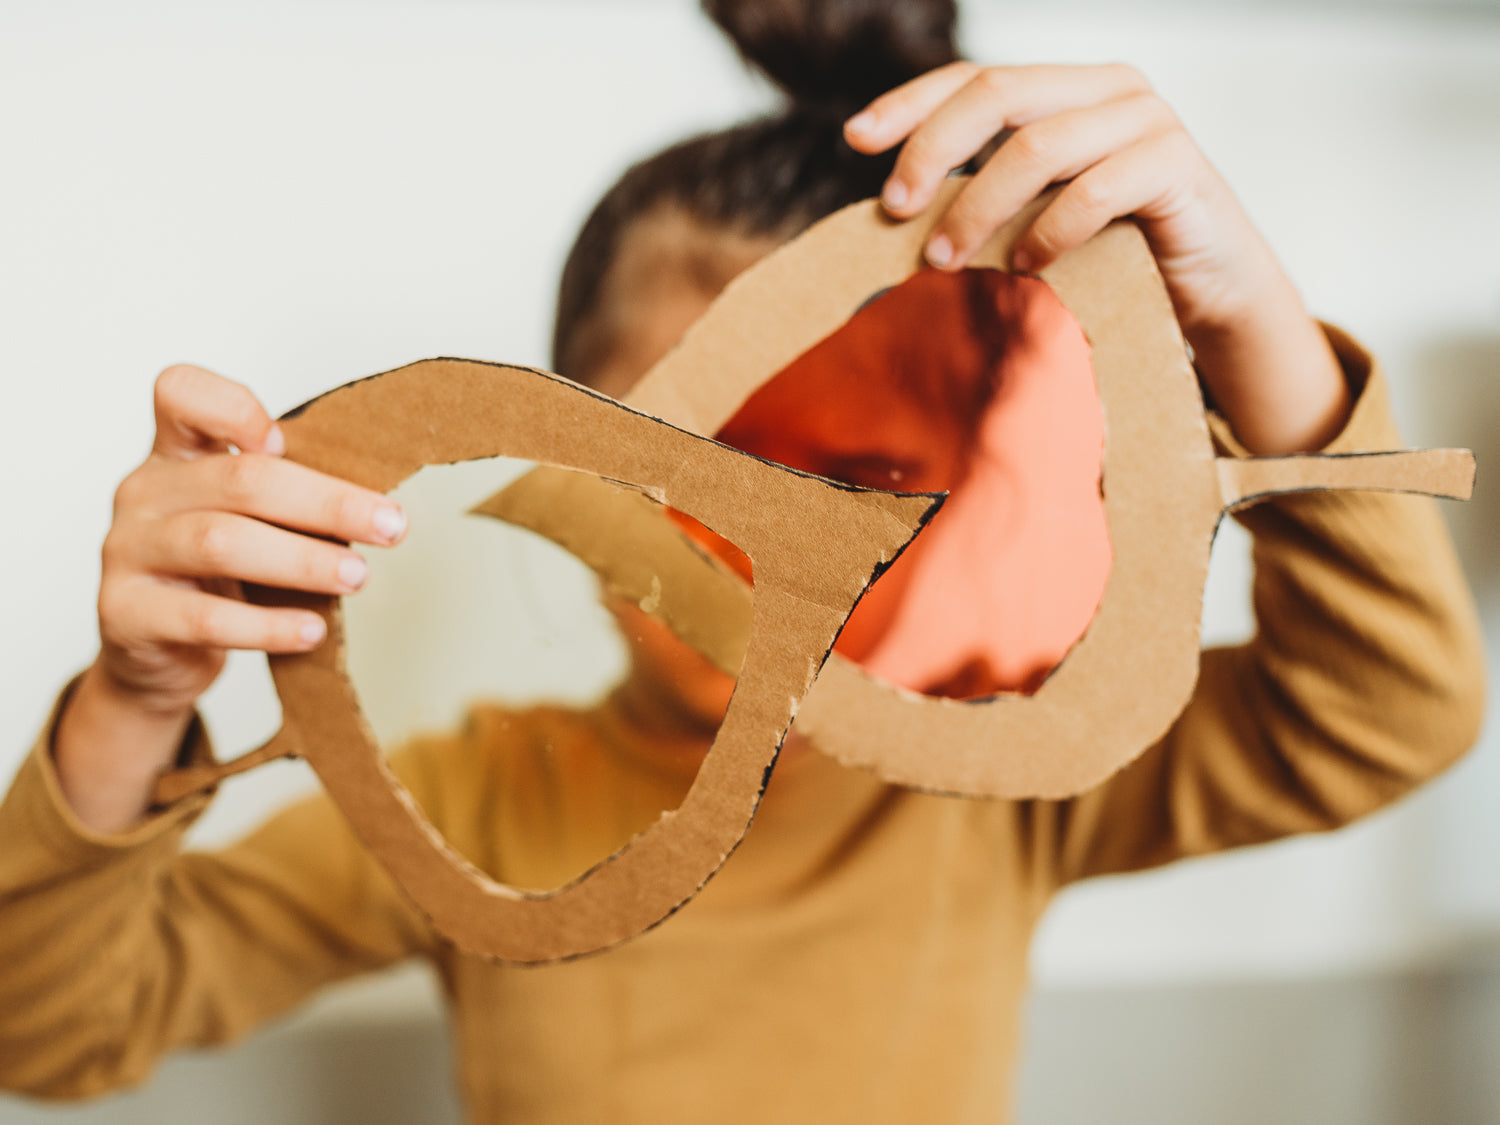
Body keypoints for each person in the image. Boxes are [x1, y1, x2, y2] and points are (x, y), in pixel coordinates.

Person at [0, 0, 1483, 1121]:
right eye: (694, 461)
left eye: (864, 480)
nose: (772, 543)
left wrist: (1256, 336)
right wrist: (136, 699)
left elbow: (1384, 711)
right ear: (565, 461)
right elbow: (50, 1027)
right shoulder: (466, 798)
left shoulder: (994, 790)